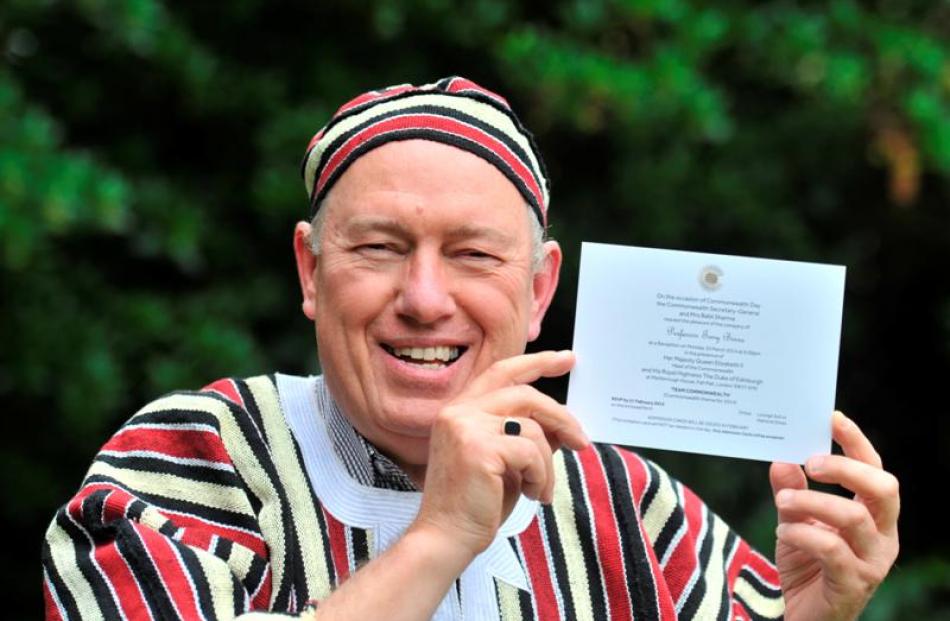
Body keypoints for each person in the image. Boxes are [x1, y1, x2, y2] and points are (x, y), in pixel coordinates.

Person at [42, 77, 899, 621]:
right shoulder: (196, 458)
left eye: (474, 255)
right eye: (378, 247)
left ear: (537, 291)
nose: (423, 298)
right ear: (310, 270)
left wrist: (812, 615)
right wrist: (442, 531)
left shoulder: (629, 508)